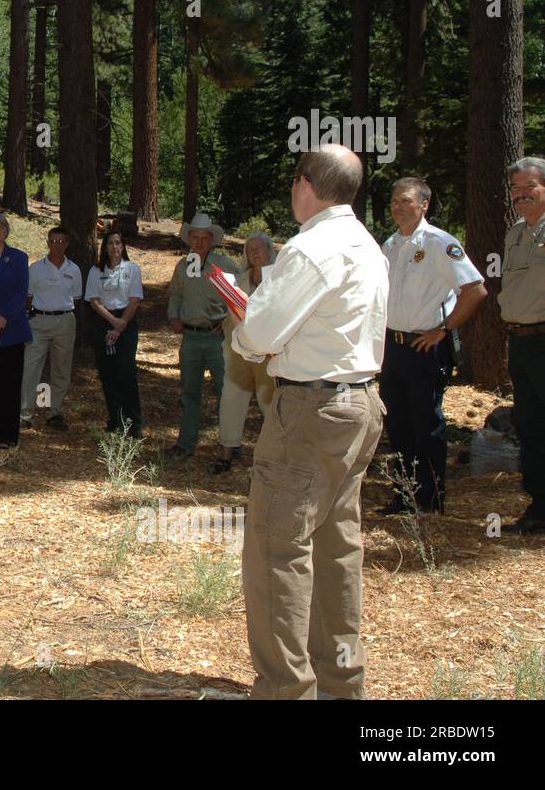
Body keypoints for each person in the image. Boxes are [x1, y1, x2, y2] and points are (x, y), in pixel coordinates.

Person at [231, 144, 388, 701]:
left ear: (304, 184)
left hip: (311, 411)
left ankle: (284, 691)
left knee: (277, 550)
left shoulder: (311, 247)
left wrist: (245, 324)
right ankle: (340, 686)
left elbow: (260, 336)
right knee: (336, 548)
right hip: (360, 403)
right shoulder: (368, 245)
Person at [377, 178, 486, 514]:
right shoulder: (390, 246)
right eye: (394, 200)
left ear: (424, 204)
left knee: (426, 423)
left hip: (425, 347)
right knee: (397, 423)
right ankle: (406, 494)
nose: (398, 206)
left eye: (406, 201)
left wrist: (443, 329)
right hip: (392, 348)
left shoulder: (440, 243)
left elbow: (475, 290)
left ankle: (431, 498)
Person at [166, 213, 240, 458]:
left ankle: (230, 445)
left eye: (203, 237)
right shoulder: (183, 266)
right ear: (189, 239)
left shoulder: (226, 265)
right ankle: (186, 444)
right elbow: (176, 294)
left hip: (217, 338)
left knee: (226, 392)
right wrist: (174, 316)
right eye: (194, 237)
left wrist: (229, 322)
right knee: (189, 393)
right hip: (191, 337)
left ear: (211, 239)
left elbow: (241, 298)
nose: (198, 242)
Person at [500, 157, 545, 534]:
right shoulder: (515, 232)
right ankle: (538, 506)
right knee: (530, 425)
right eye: (515, 189)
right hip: (521, 341)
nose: (520, 194)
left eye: (528, 187)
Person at [211, 232, 278, 474]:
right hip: (238, 351)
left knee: (268, 404)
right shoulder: (238, 280)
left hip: (267, 353)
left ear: (270, 251)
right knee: (231, 401)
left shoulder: (279, 281)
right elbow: (231, 312)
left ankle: (273, 458)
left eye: (260, 248)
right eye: (251, 249)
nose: (255, 252)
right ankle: (226, 452)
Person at [20, 227, 82, 431]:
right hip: (39, 321)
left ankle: (53, 411)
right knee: (31, 369)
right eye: (53, 241)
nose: (57, 245)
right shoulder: (36, 268)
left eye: (61, 241)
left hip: (64, 321)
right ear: (47, 243)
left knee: (60, 369)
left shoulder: (74, 269)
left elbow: (76, 299)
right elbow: (28, 297)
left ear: (67, 244)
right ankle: (26, 413)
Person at [86, 229, 144, 438]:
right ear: (105, 247)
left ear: (123, 246)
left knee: (126, 373)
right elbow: (93, 300)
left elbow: (135, 298)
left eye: (118, 243)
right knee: (107, 373)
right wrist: (112, 322)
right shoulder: (96, 271)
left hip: (126, 321)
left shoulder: (132, 269)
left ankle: (134, 423)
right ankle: (115, 421)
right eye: (110, 243)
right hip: (103, 321)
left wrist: (121, 325)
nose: (115, 247)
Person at [0, 212, 31, 450]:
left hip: (11, 330)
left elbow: (20, 294)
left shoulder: (19, 258)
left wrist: (1, 317)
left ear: (7, 231)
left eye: (1, 226)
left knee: (10, 384)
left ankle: (8, 435)